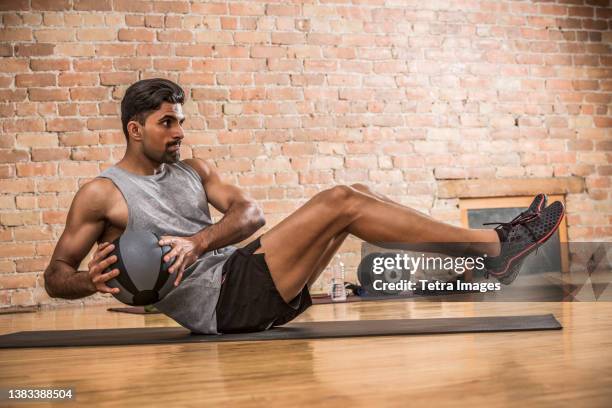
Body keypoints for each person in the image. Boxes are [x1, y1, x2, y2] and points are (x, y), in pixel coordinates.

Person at [43, 79, 565, 334]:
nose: (179, 132)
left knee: (355, 194)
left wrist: (198, 240)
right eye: (167, 123)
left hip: (237, 280)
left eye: (181, 121)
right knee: (340, 201)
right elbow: (55, 275)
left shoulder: (193, 170)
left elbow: (250, 214)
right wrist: (92, 281)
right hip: (217, 306)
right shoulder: (102, 193)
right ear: (134, 130)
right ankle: (495, 246)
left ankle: (483, 255)